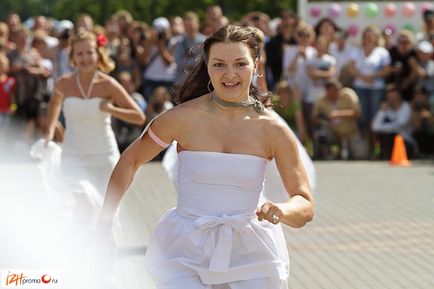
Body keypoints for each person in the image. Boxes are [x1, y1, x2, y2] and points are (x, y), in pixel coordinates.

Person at [100, 25, 314, 289]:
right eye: (219, 64)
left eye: (240, 64)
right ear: (208, 66)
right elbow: (130, 161)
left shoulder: (273, 129)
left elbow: (304, 204)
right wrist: (106, 220)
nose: (230, 74)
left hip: (251, 249)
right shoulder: (180, 118)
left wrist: (281, 210)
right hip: (186, 246)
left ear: (255, 65)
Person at [40, 30, 145, 220]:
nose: (85, 58)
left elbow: (139, 116)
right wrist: (49, 132)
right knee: (84, 203)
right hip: (73, 156)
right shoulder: (63, 84)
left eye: (89, 52)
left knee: (106, 215)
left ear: (98, 55)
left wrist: (111, 109)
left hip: (104, 157)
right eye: (79, 53)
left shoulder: (108, 84)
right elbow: (53, 107)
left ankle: (105, 245)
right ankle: (78, 246)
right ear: (72, 57)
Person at [312, 79, 366, 160]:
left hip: (350, 132)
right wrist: (324, 119)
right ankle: (327, 154)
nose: (333, 94)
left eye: (335, 91)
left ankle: (348, 150)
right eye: (330, 91)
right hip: (333, 131)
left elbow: (357, 112)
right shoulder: (321, 100)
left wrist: (338, 114)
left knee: (361, 155)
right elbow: (314, 117)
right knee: (320, 134)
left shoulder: (348, 95)